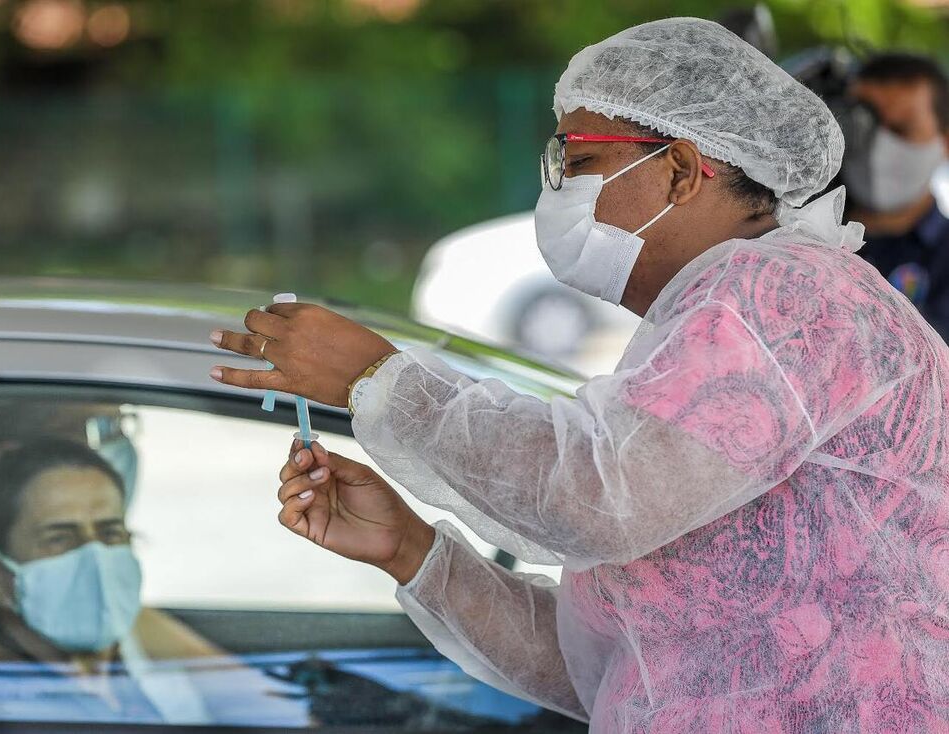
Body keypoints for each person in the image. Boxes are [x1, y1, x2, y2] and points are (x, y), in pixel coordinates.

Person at [209, 18, 949, 733]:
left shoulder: (784, 296)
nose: (558, 187)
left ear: (683, 170)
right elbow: (621, 671)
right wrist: (412, 550)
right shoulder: (710, 320)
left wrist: (376, 378)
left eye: (577, 161)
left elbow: (597, 496)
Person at [0, 439, 222, 723]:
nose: (96, 560)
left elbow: (260, 699)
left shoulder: (137, 634)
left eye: (110, 533)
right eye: (60, 538)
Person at [842, 53, 949, 338]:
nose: (880, 147)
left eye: (902, 131)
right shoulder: (794, 227)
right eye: (866, 126)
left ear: (945, 142)